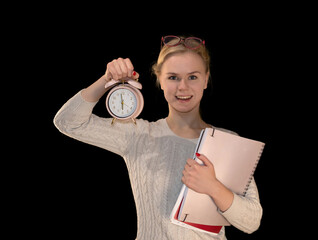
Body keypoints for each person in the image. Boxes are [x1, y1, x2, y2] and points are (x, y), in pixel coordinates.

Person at [54, 35, 262, 239]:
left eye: (192, 77)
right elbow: (67, 122)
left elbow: (252, 222)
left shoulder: (227, 141)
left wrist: (213, 187)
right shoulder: (138, 135)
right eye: (173, 77)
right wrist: (106, 80)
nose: (182, 87)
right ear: (159, 80)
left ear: (205, 80)